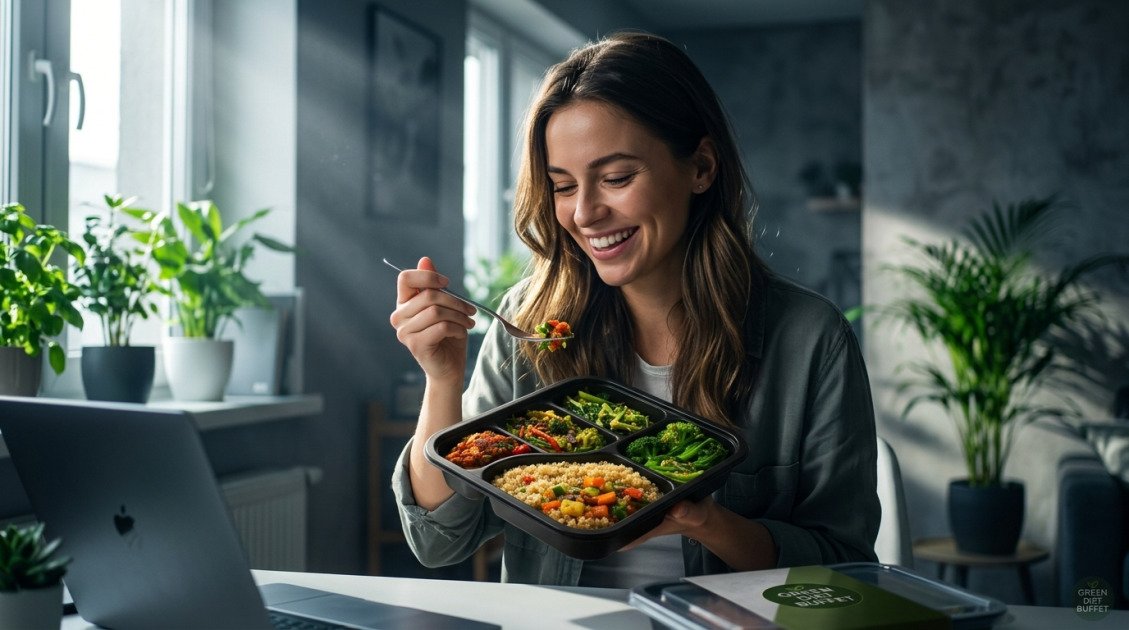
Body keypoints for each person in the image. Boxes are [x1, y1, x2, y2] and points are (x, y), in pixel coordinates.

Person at [388, 31, 878, 587]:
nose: (586, 213)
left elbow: (846, 568)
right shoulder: (528, 325)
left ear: (701, 168)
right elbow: (438, 540)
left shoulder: (810, 338)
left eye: (617, 178)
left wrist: (709, 523)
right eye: (563, 186)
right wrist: (442, 379)